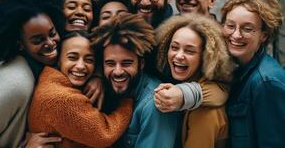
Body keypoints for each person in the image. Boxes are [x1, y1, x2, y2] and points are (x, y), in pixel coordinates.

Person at [0, 0, 65, 147]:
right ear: (20, 44)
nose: (50, 43)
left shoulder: (37, 65)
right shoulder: (15, 83)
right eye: (38, 40)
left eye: (52, 33)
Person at [91, 13, 182, 147]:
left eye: (126, 63)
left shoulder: (155, 104)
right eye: (110, 63)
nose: (117, 71)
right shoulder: (103, 89)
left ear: (141, 64)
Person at [28, 30, 133, 147]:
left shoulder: (49, 80)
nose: (81, 66)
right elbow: (105, 135)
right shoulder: (62, 99)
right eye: (72, 58)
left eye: (89, 60)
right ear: (58, 60)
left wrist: (98, 76)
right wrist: (127, 103)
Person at [155, 14, 234, 148]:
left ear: (206, 56)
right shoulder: (174, 81)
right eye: (174, 47)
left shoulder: (206, 112)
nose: (179, 56)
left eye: (190, 51)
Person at [221, 0, 285, 148]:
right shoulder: (235, 69)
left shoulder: (266, 83)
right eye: (230, 26)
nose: (236, 35)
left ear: (263, 35)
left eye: (247, 29)